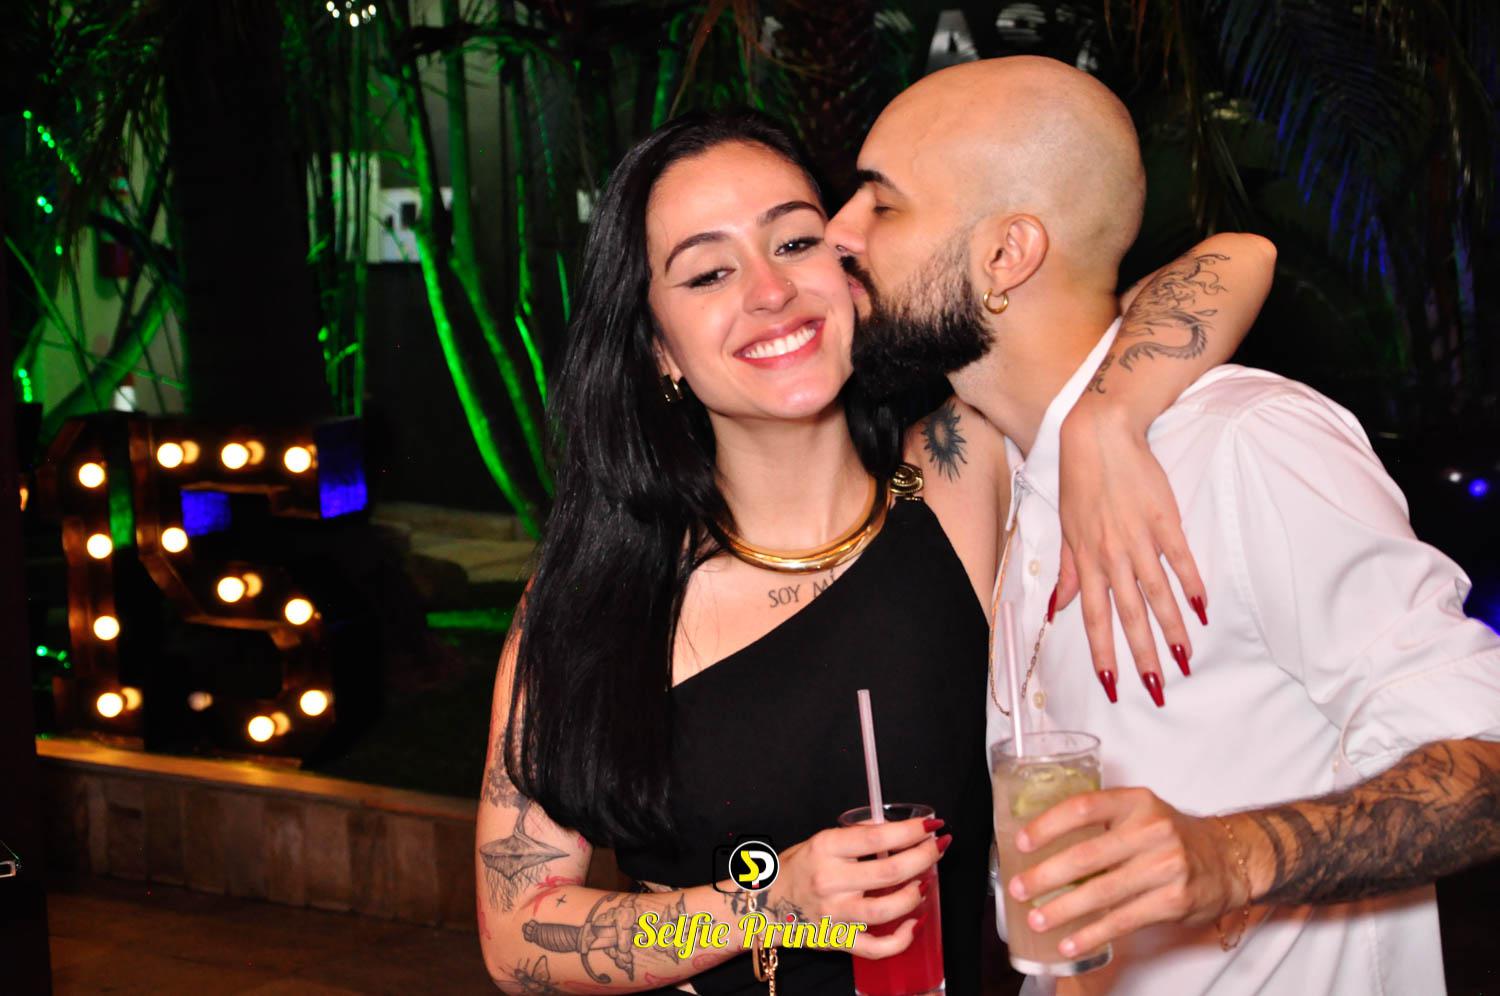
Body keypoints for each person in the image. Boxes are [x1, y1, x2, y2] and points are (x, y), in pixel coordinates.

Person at [474, 110, 1271, 995]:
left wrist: (1107, 414)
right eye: (708, 273)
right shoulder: (601, 594)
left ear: (849, 267)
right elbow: (517, 935)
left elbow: (1237, 258)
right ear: (660, 348)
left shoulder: (960, 474)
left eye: (795, 242)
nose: (770, 292)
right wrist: (769, 904)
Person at [827, 55, 1500, 994]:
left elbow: (1483, 763)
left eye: (882, 204)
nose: (839, 230)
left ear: (1007, 255)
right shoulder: (1008, 471)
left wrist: (1230, 858)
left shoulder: (1245, 445)